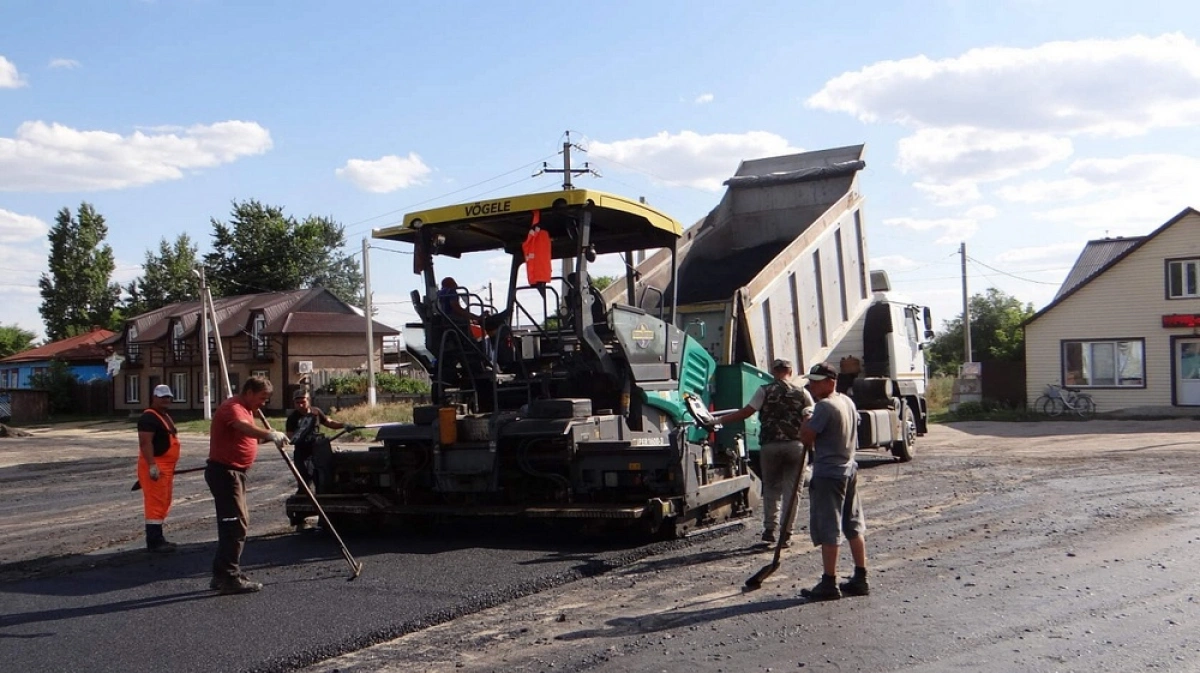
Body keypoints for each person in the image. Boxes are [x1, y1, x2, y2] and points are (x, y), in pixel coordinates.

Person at [713, 358, 813, 546]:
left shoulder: (764, 390)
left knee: (772, 487)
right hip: (796, 446)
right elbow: (810, 416)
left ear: (773, 371)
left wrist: (719, 421)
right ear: (790, 371)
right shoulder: (803, 393)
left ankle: (769, 530)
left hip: (770, 446)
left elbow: (745, 413)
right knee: (793, 492)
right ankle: (786, 534)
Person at [204, 376, 289, 595]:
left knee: (235, 523)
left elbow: (248, 438)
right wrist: (269, 433)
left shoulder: (247, 409)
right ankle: (229, 577)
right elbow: (243, 428)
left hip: (235, 473)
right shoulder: (233, 408)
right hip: (225, 473)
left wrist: (271, 437)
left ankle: (222, 574)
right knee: (235, 524)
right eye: (262, 398)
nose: (263, 403)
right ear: (249, 392)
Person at [798, 361, 869, 601]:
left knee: (829, 527)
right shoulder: (847, 402)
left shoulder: (825, 407)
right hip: (849, 469)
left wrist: (806, 417)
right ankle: (861, 577)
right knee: (853, 524)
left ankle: (829, 582)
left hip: (829, 473)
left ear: (831, 382)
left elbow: (806, 438)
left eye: (816, 382)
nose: (811, 386)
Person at [138, 384, 181, 553]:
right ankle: (154, 541)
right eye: (162, 397)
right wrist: (151, 465)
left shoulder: (163, 416)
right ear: (154, 398)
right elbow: (145, 442)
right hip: (156, 465)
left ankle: (158, 538)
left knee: (164, 502)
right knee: (155, 503)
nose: (166, 400)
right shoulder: (148, 418)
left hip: (166, 467)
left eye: (168, 397)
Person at [286, 388, 351, 496]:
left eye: (303, 402)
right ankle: (305, 501)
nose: (300, 405)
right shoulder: (293, 418)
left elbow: (329, 423)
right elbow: (290, 436)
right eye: (297, 403)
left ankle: (322, 500)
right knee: (303, 479)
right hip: (302, 452)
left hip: (317, 451)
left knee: (321, 478)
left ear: (308, 400)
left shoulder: (316, 412)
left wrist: (343, 425)